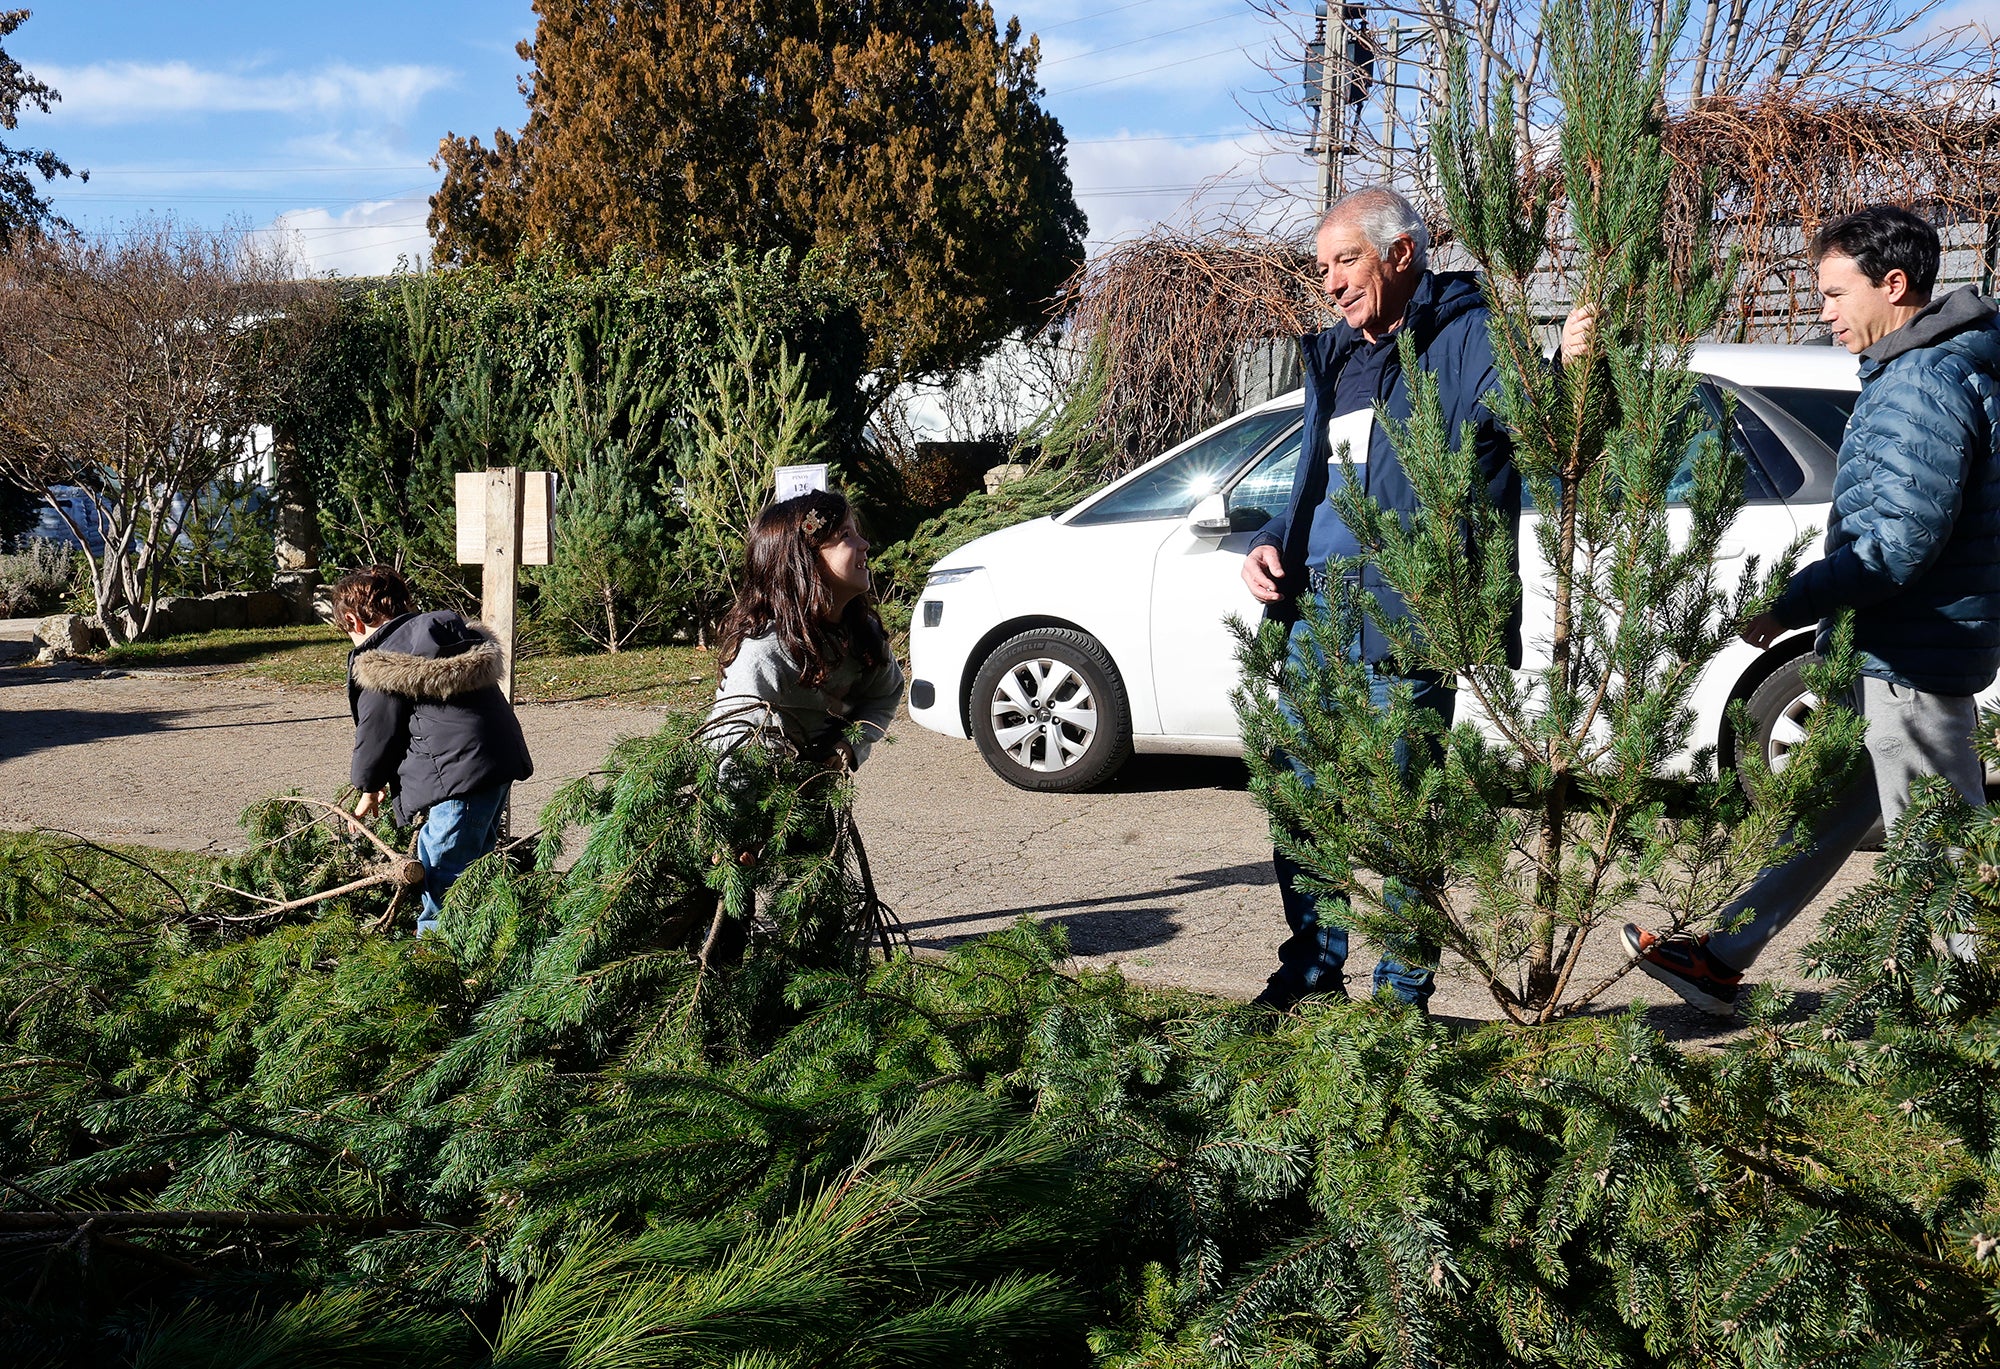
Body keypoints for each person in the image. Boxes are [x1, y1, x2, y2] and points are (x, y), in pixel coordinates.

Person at [1626, 205, 2000, 1016]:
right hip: (1899, 652)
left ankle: (1977, 1032)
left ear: (1893, 285)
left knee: (1944, 867)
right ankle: (1721, 957)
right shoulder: (1919, 373)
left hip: (1912, 657)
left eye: (1835, 293)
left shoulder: (1922, 384)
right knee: (1830, 816)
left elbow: (1897, 545)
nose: (1822, 311)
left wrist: (1792, 601)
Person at [1241, 186, 1594, 1013]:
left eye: (1345, 261)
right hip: (1311, 622)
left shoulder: (1468, 337)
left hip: (1407, 622)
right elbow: (1318, 481)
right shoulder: (1334, 355)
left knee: (1403, 820)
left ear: (1402, 254)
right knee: (1298, 807)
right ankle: (1313, 973)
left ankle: (1400, 998)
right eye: (1321, 266)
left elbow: (1542, 433)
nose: (1328, 283)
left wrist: (1571, 374)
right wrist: (1267, 539)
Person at [334, 566, 534, 935]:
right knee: (475, 859)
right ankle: (484, 938)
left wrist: (368, 784)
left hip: (460, 777)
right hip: (494, 764)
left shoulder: (382, 658)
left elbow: (377, 731)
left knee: (444, 868)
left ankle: (435, 960)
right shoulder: (445, 637)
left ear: (352, 619)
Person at [705, 488, 904, 772]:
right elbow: (729, 747)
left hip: (813, 793)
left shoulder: (863, 633)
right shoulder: (765, 652)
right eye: (845, 536)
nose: (864, 544)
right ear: (804, 562)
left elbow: (885, 693)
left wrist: (849, 744)